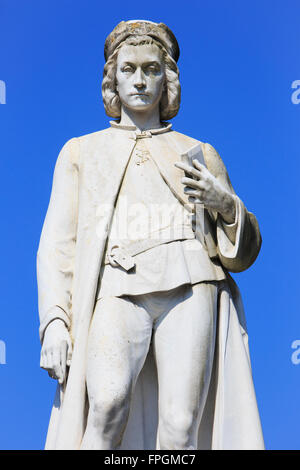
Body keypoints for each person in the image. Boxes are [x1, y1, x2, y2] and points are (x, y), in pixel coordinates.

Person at [37, 20, 264, 450]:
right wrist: (54, 321)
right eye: (128, 69)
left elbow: (243, 252)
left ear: (167, 79)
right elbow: (56, 244)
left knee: (181, 426)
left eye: (152, 69)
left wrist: (226, 205)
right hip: (117, 283)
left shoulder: (198, 152)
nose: (140, 80)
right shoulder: (81, 152)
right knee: (105, 404)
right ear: (113, 79)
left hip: (191, 281)